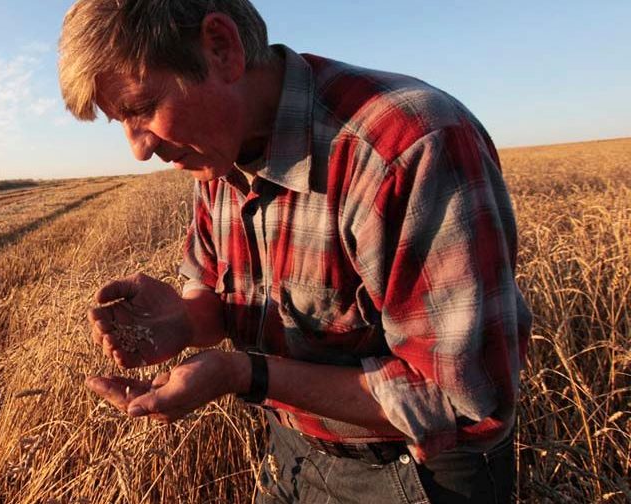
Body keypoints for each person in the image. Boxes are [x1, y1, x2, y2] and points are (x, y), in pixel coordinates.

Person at [59, 1, 532, 502]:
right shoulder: (215, 154)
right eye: (121, 123)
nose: (138, 148)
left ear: (221, 48)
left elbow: (459, 399)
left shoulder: (407, 146)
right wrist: (184, 320)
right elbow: (222, 296)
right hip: (292, 450)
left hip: (418, 471)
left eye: (140, 108)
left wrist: (244, 374)